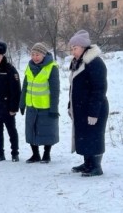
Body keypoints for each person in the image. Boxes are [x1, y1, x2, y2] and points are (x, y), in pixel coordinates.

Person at [67, 30, 109, 176]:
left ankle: (96, 166)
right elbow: (73, 87)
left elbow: (99, 89)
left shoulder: (95, 62)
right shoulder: (77, 63)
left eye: (75, 48)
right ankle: (87, 163)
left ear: (84, 47)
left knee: (94, 136)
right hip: (81, 108)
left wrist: (93, 112)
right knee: (84, 135)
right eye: (71, 48)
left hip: (94, 108)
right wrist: (70, 106)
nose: (73, 51)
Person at [19, 42, 60, 163]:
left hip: (45, 107)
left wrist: (54, 108)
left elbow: (55, 90)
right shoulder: (29, 66)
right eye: (32, 54)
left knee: (47, 131)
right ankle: (35, 154)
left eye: (37, 54)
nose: (35, 57)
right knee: (31, 131)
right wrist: (22, 103)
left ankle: (46, 154)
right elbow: (25, 86)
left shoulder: (51, 67)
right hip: (31, 106)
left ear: (43, 55)